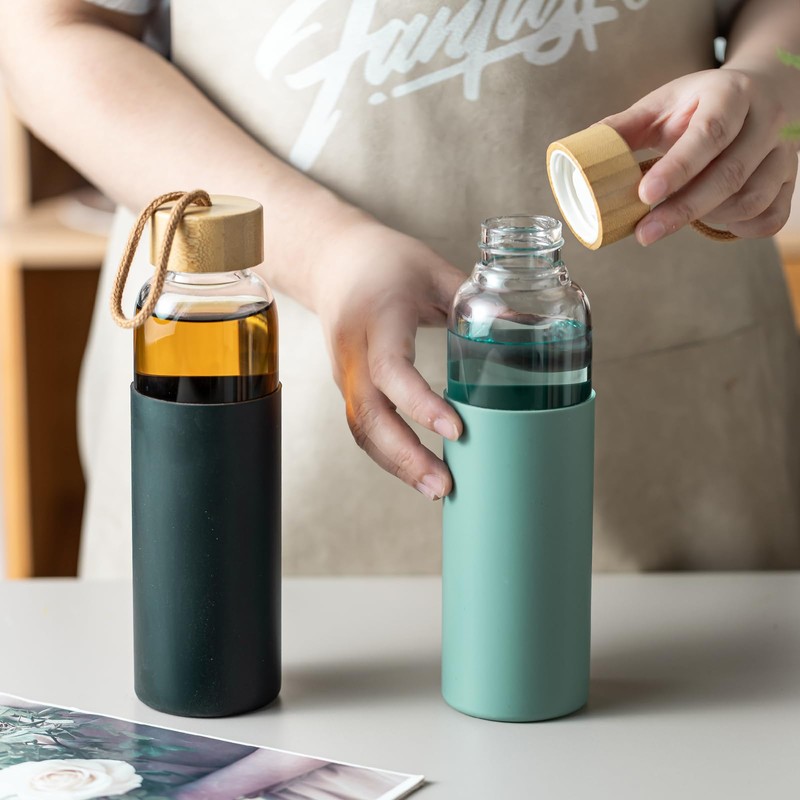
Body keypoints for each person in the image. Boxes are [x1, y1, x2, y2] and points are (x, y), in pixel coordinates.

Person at [0, 0, 797, 575]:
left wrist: (774, 80)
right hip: (263, 405)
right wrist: (323, 251)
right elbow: (49, 31)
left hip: (678, 428)